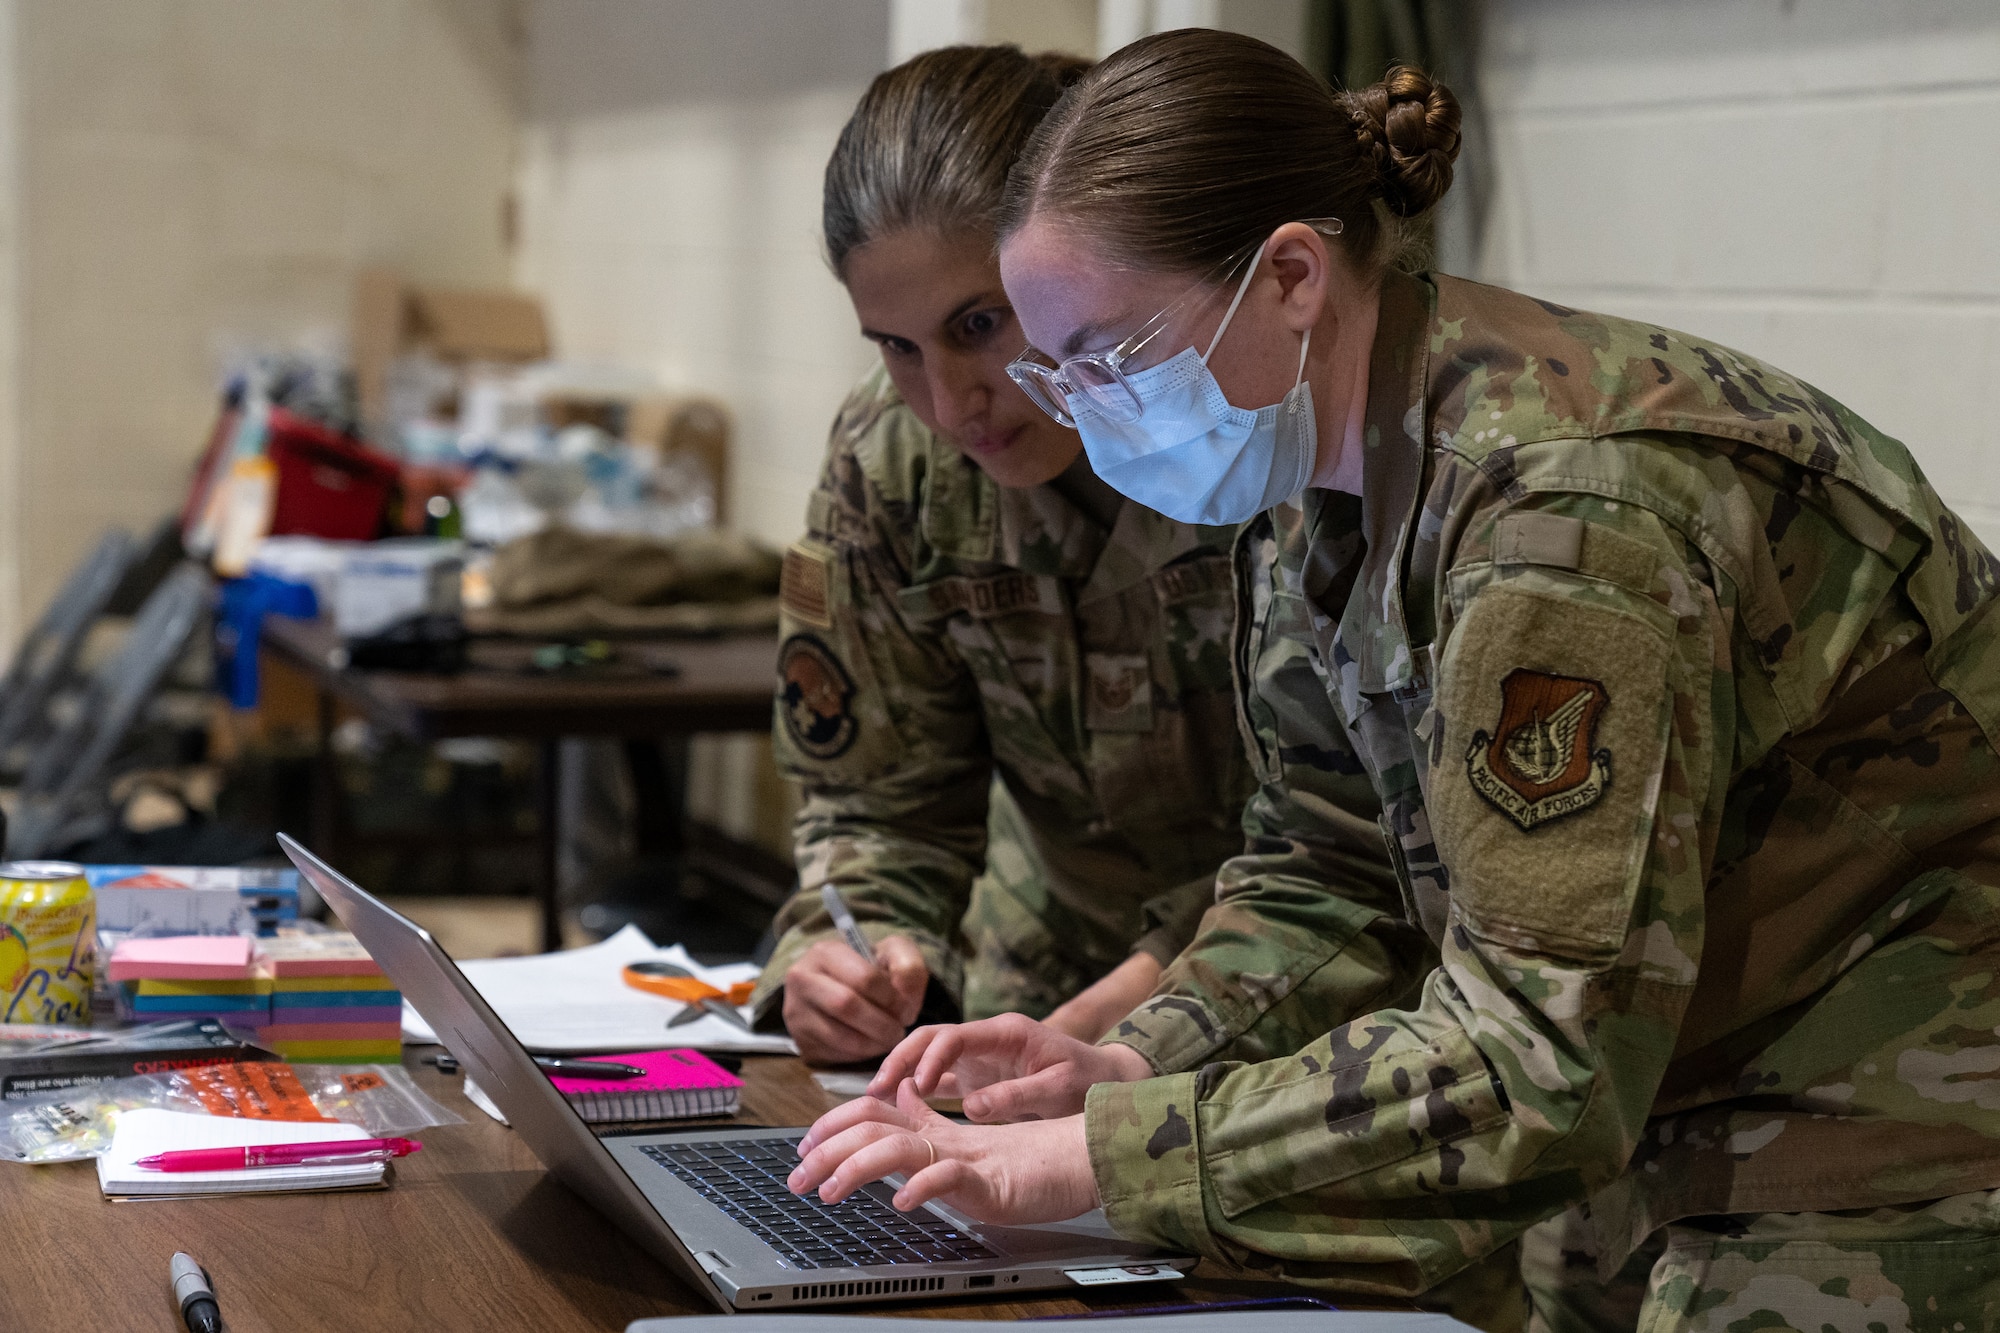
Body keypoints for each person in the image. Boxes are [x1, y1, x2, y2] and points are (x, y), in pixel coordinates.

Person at [786, 29, 2000, 1328]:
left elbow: (1538, 1067)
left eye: (1108, 359)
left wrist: (1096, 1161)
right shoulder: (1316, 469)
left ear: (1291, 278)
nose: (1076, 413)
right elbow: (1335, 865)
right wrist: (1133, 1057)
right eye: (1058, 367)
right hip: (1673, 1058)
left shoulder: (1562, 511)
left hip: (1903, 1073)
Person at [752, 45, 1398, 1067]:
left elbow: (1361, 828)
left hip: (1310, 1000)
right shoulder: (895, 461)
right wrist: (854, 951)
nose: (949, 400)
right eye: (896, 345)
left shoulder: (1244, 416)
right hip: (1035, 989)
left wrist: (1148, 992)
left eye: (979, 323)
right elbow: (876, 797)